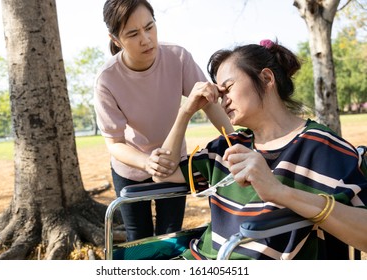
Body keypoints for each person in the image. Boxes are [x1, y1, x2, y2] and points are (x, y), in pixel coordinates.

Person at [153, 39, 367, 259]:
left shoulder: (322, 149)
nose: (222, 100)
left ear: (266, 78)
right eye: (219, 93)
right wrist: (185, 111)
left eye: (228, 88)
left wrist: (279, 192)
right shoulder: (227, 147)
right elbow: (164, 173)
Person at [94, 0, 233, 242]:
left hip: (174, 164)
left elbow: (210, 104)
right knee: (139, 238)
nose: (146, 39)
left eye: (150, 27)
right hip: (131, 168)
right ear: (116, 39)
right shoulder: (107, 80)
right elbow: (114, 142)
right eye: (133, 34)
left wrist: (236, 140)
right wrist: (147, 162)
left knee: (170, 235)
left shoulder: (178, 57)